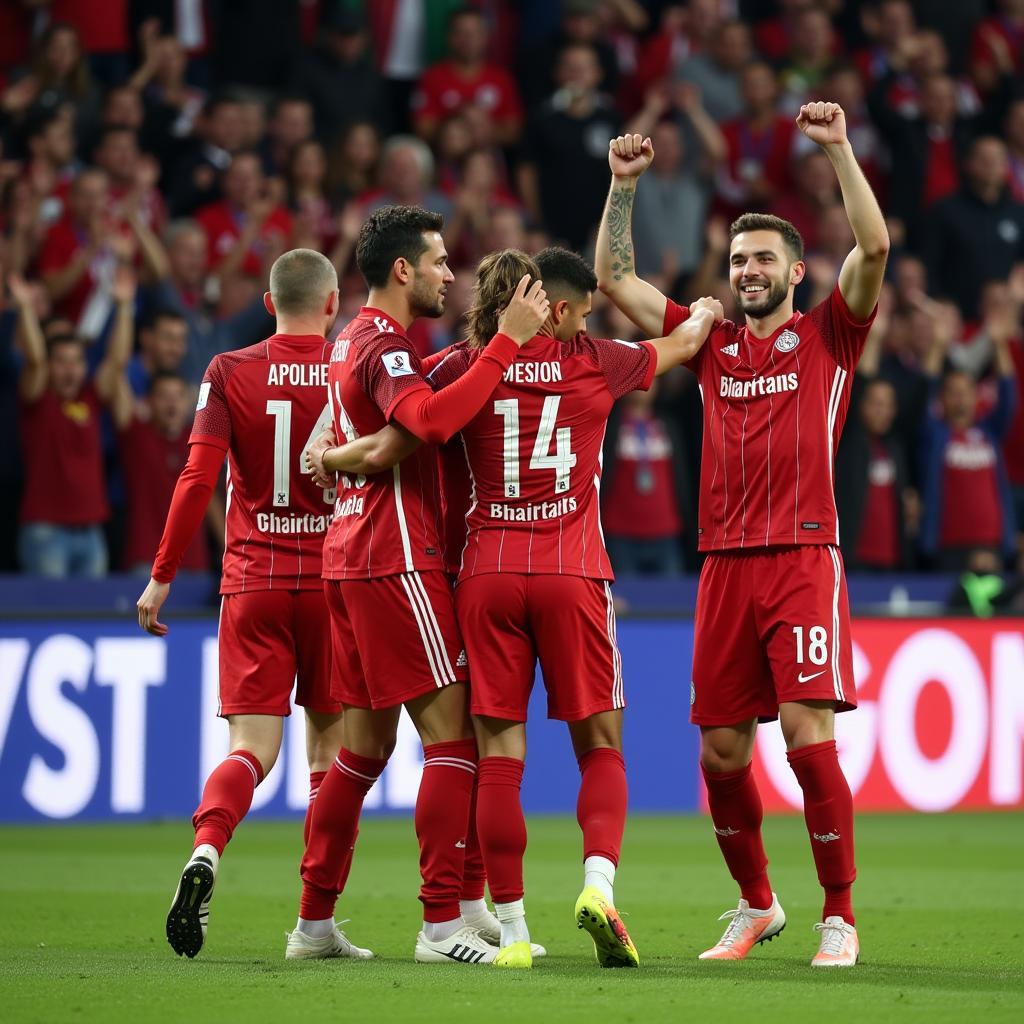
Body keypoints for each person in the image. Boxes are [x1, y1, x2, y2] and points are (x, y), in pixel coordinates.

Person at [314, 246, 720, 970]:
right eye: (585, 309)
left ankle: (512, 926)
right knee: (600, 744)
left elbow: (399, 437)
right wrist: (711, 312)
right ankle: (598, 885)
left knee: (497, 753)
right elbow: (685, 342)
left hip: (487, 572)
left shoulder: (461, 366)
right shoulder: (598, 359)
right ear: (556, 309)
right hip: (573, 572)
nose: (589, 318)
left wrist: (335, 456)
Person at [596, 101, 890, 969]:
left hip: (803, 556)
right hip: (723, 564)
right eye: (737, 260)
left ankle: (839, 914)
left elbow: (873, 249)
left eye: (764, 258)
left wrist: (837, 150)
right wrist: (622, 189)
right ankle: (757, 904)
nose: (747, 270)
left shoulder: (833, 334)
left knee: (806, 738)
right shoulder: (710, 339)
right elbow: (615, 279)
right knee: (721, 751)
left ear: (798, 272)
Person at [294, 206, 549, 966]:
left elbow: (394, 430)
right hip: (396, 556)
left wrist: (353, 455)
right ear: (402, 269)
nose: (449, 274)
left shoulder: (348, 344)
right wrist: (507, 345)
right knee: (457, 739)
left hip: (348, 559)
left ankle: (313, 924)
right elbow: (431, 423)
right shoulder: (386, 348)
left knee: (361, 752)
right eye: (438, 262)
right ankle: (442, 926)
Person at [135, 248, 368, 963]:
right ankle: (315, 924)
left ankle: (207, 850)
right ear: (332, 304)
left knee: (251, 750)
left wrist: (162, 575)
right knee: (330, 753)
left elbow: (197, 476)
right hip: (332, 580)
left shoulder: (227, 370)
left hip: (253, 581)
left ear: (268, 303)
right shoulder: (351, 366)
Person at [13, 267, 134, 577]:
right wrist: (26, 309)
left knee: (89, 619)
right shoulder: (37, 399)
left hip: (92, 533)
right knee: (47, 622)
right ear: (51, 366)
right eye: (62, 361)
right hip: (45, 532)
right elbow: (36, 361)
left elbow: (116, 362)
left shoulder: (89, 398)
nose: (70, 369)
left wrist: (123, 307)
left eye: (77, 361)